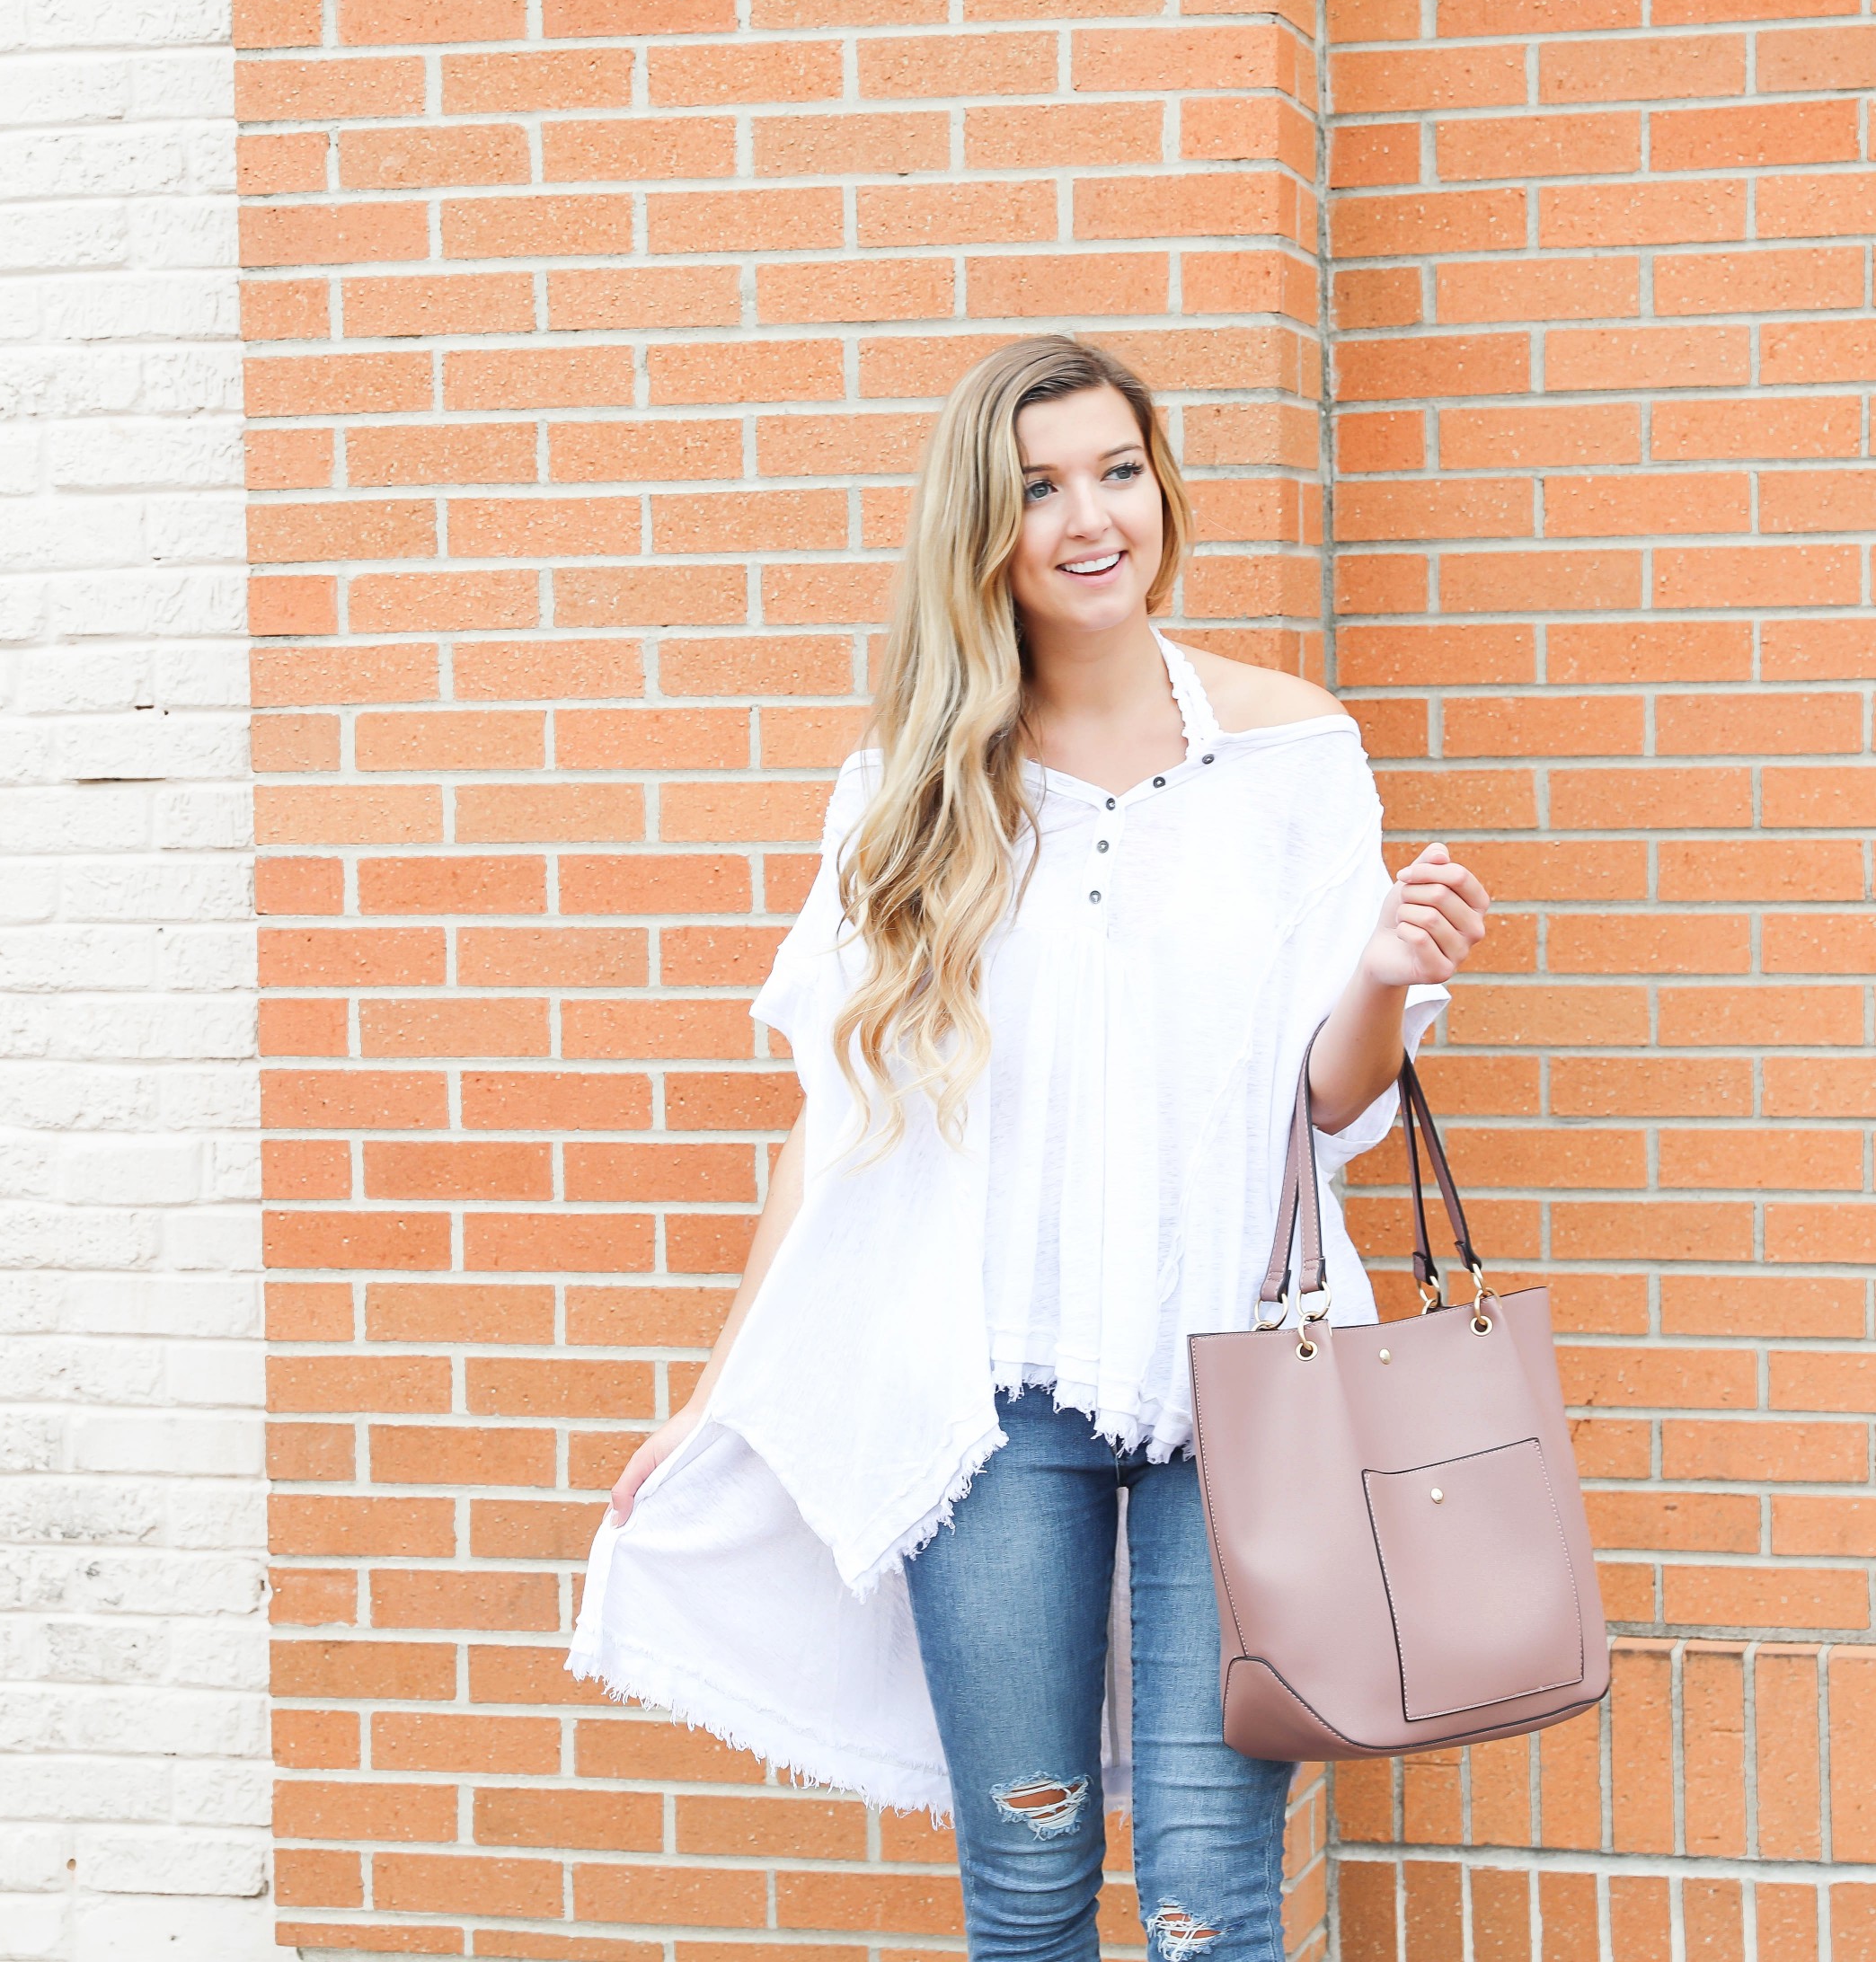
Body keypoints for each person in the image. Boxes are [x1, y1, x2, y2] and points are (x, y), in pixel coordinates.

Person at [569, 335, 1491, 1962]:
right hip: (983, 1407)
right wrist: (718, 1389)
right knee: (1028, 1886)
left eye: (1119, 472)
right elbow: (839, 1127)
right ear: (983, 528)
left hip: (1245, 1393)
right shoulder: (910, 794)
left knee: (1214, 1902)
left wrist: (1380, 974)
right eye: (1040, 486)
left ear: (1162, 489)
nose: (1090, 518)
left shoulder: (1290, 755)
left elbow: (1333, 1106)